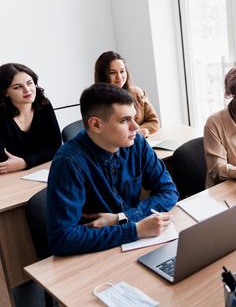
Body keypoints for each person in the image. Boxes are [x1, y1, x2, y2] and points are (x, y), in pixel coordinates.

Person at [47, 84, 178, 256]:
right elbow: (62, 239)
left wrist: (122, 218)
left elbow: (169, 191)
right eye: (124, 120)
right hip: (94, 253)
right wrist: (135, 230)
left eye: (134, 117)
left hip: (133, 245)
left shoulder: (136, 142)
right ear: (96, 125)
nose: (136, 127)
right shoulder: (68, 162)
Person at [0, 63, 61, 174]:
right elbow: (3, 161)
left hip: (40, 171)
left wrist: (25, 162)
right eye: (17, 87)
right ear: (5, 92)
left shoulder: (44, 105)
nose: (27, 90)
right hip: (8, 177)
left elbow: (56, 148)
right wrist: (38, 157)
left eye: (29, 83)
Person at [94, 51, 159, 137]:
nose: (119, 77)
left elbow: (154, 122)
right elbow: (104, 134)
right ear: (103, 75)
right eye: (112, 73)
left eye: (122, 71)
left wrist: (137, 132)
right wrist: (134, 133)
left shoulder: (137, 93)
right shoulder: (96, 102)